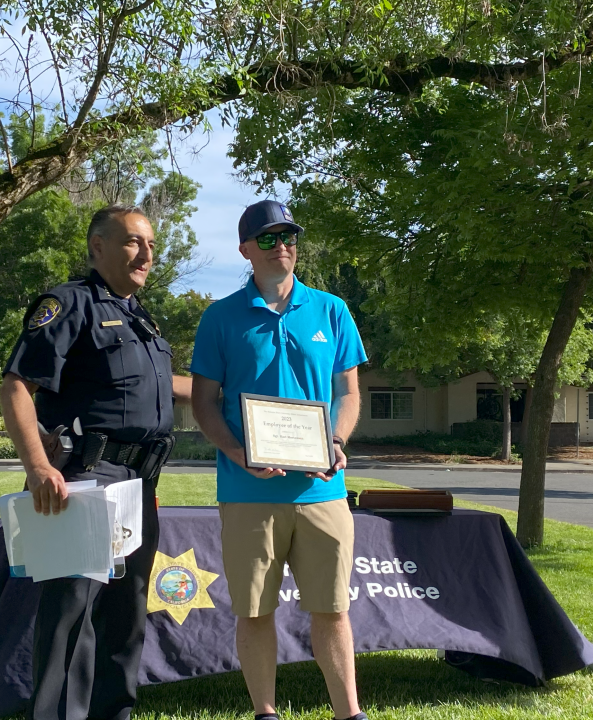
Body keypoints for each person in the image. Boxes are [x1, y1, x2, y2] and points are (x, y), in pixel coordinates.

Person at [1, 204, 193, 720]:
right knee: (70, 615)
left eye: (151, 244)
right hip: (86, 476)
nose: (146, 254)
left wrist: (232, 394)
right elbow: (17, 383)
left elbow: (161, 386)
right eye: (133, 242)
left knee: (125, 615)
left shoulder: (142, 319)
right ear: (98, 247)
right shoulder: (69, 305)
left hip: (139, 480)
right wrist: (40, 466)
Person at [189, 200, 368, 720]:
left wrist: (335, 440)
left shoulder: (331, 310)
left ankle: (348, 714)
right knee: (255, 612)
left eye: (288, 235)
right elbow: (204, 402)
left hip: (322, 491)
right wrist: (238, 453)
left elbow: (349, 393)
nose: (282, 245)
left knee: (333, 610)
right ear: (245, 249)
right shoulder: (221, 317)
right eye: (267, 238)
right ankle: (265, 713)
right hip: (247, 493)